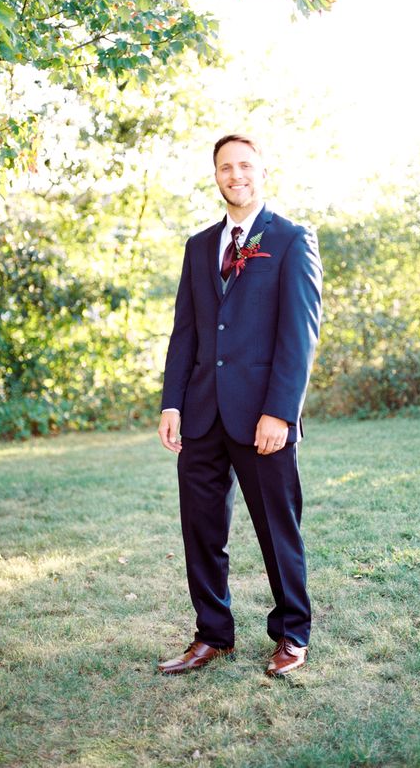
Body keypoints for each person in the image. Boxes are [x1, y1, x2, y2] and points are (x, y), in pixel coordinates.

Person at [157, 134, 322, 677]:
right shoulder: (199, 246)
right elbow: (186, 332)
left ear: (263, 171)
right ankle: (213, 633)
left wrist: (280, 411)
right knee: (201, 530)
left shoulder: (293, 239)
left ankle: (292, 634)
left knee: (279, 528)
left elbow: (299, 337)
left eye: (245, 166)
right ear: (216, 176)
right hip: (202, 415)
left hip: (262, 420)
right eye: (226, 167)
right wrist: (172, 402)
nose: (236, 175)